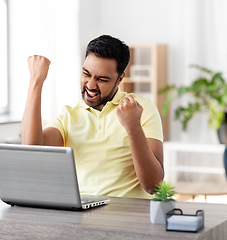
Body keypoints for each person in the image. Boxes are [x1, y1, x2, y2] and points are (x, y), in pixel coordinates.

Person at [21, 35, 164, 199]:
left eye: (102, 79)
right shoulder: (69, 116)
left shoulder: (141, 108)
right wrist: (36, 81)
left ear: (119, 79)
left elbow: (154, 185)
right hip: (83, 214)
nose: (90, 85)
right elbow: (31, 148)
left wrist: (133, 128)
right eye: (86, 74)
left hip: (131, 215)